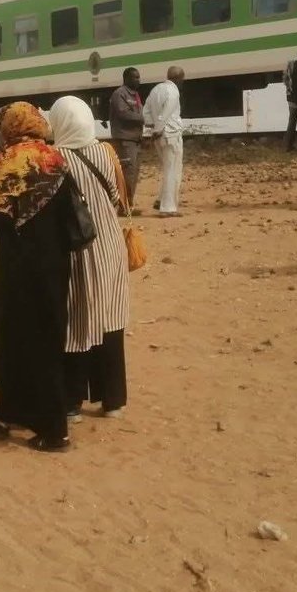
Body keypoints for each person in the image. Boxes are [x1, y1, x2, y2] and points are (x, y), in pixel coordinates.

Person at [0, 102, 76, 453]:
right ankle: (28, 415)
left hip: (18, 266)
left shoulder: (8, 160)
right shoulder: (56, 158)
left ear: (9, 126)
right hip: (55, 264)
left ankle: (46, 429)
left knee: (11, 338)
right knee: (48, 339)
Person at [48, 96, 130, 420]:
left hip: (78, 248)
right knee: (110, 319)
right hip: (110, 245)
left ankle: (71, 403)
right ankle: (114, 401)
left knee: (78, 322)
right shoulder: (105, 151)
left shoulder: (55, 158)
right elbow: (115, 197)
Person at [142, 66, 185, 216]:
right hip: (170, 134)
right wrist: (157, 129)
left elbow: (146, 111)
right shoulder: (173, 91)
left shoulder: (156, 89)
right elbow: (165, 114)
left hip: (159, 137)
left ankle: (161, 200)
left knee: (168, 169)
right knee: (173, 170)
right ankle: (168, 208)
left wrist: (150, 131)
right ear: (179, 79)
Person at [107, 68, 145, 210]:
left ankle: (129, 203)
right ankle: (124, 206)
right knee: (127, 173)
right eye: (135, 77)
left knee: (133, 173)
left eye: (139, 77)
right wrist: (144, 118)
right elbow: (123, 114)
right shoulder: (119, 94)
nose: (138, 80)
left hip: (135, 140)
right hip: (125, 140)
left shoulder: (135, 95)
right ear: (126, 78)